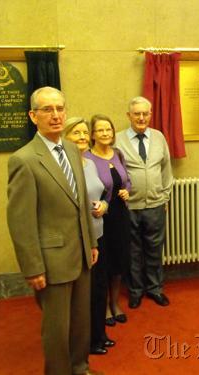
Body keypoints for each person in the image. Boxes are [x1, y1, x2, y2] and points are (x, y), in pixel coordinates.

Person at [6, 87, 102, 375]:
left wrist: (91, 242)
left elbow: (81, 201)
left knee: (80, 321)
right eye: (47, 110)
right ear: (33, 116)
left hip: (82, 253)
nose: (56, 115)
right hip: (51, 260)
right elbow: (20, 221)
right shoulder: (24, 160)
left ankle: (80, 367)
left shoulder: (72, 149)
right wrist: (33, 267)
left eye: (60, 108)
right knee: (57, 329)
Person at [115, 96, 173, 309]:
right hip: (129, 206)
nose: (141, 117)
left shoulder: (159, 137)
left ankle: (155, 289)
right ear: (128, 115)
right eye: (136, 113)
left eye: (145, 113)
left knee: (155, 249)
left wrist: (165, 196)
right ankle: (136, 291)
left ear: (150, 114)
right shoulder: (117, 140)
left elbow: (166, 169)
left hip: (156, 204)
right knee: (133, 251)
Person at [64, 117, 115, 355]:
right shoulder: (64, 167)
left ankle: (99, 335)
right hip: (80, 239)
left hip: (99, 234)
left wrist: (105, 205)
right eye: (76, 133)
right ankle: (87, 341)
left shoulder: (90, 163)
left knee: (99, 287)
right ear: (65, 137)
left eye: (85, 133)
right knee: (84, 293)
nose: (83, 137)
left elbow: (103, 193)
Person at [86, 115, 131, 325]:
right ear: (92, 134)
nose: (105, 134)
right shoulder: (87, 158)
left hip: (120, 215)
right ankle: (103, 308)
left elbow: (127, 180)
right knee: (103, 265)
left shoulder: (118, 154)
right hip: (101, 217)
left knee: (119, 262)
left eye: (109, 130)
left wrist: (127, 192)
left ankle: (115, 303)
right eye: (100, 130)